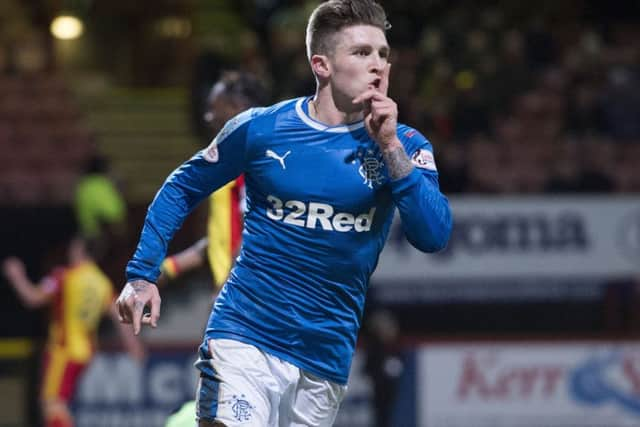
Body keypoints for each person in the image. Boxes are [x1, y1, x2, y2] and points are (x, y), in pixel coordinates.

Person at [116, 1, 453, 425]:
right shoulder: (261, 129)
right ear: (322, 65)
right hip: (245, 333)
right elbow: (182, 186)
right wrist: (142, 273)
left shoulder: (406, 145)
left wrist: (389, 147)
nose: (378, 66)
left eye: (383, 54)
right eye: (362, 53)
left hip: (325, 356)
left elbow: (434, 236)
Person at [2, 236, 144, 427]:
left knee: (52, 403)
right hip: (85, 351)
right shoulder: (102, 283)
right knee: (58, 403)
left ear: (79, 250)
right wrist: (134, 347)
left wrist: (16, 275)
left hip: (63, 349)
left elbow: (32, 297)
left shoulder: (64, 276)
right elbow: (120, 316)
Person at [160, 71, 268, 291]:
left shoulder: (256, 162)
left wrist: (227, 290)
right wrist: (171, 266)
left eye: (214, 107)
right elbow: (224, 237)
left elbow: (257, 233)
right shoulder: (231, 163)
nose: (208, 117)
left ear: (239, 108)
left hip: (249, 297)